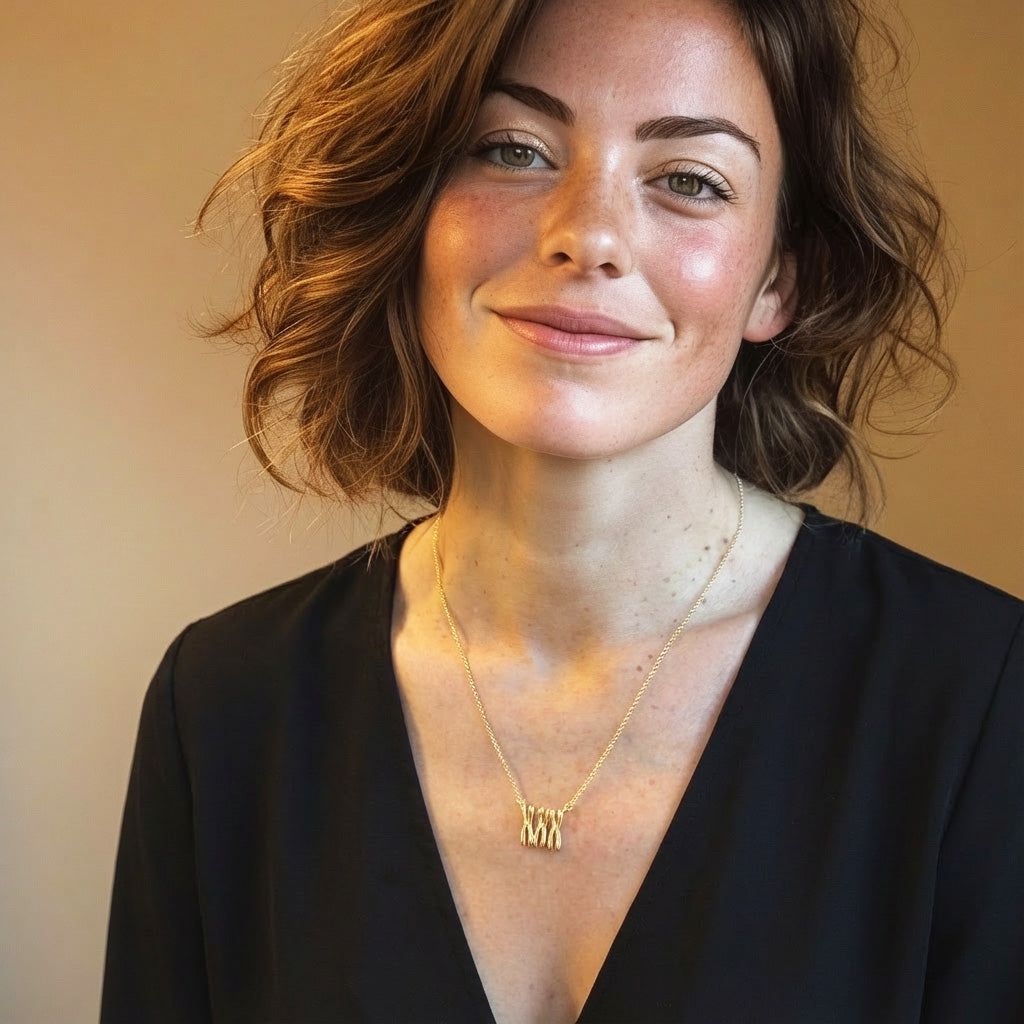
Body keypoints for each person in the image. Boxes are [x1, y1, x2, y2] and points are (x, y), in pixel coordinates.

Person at [101, 0, 1023, 1021]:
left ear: (779, 278)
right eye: (513, 149)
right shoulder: (223, 704)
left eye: (687, 180)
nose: (586, 235)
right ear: (409, 212)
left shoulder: (984, 699)